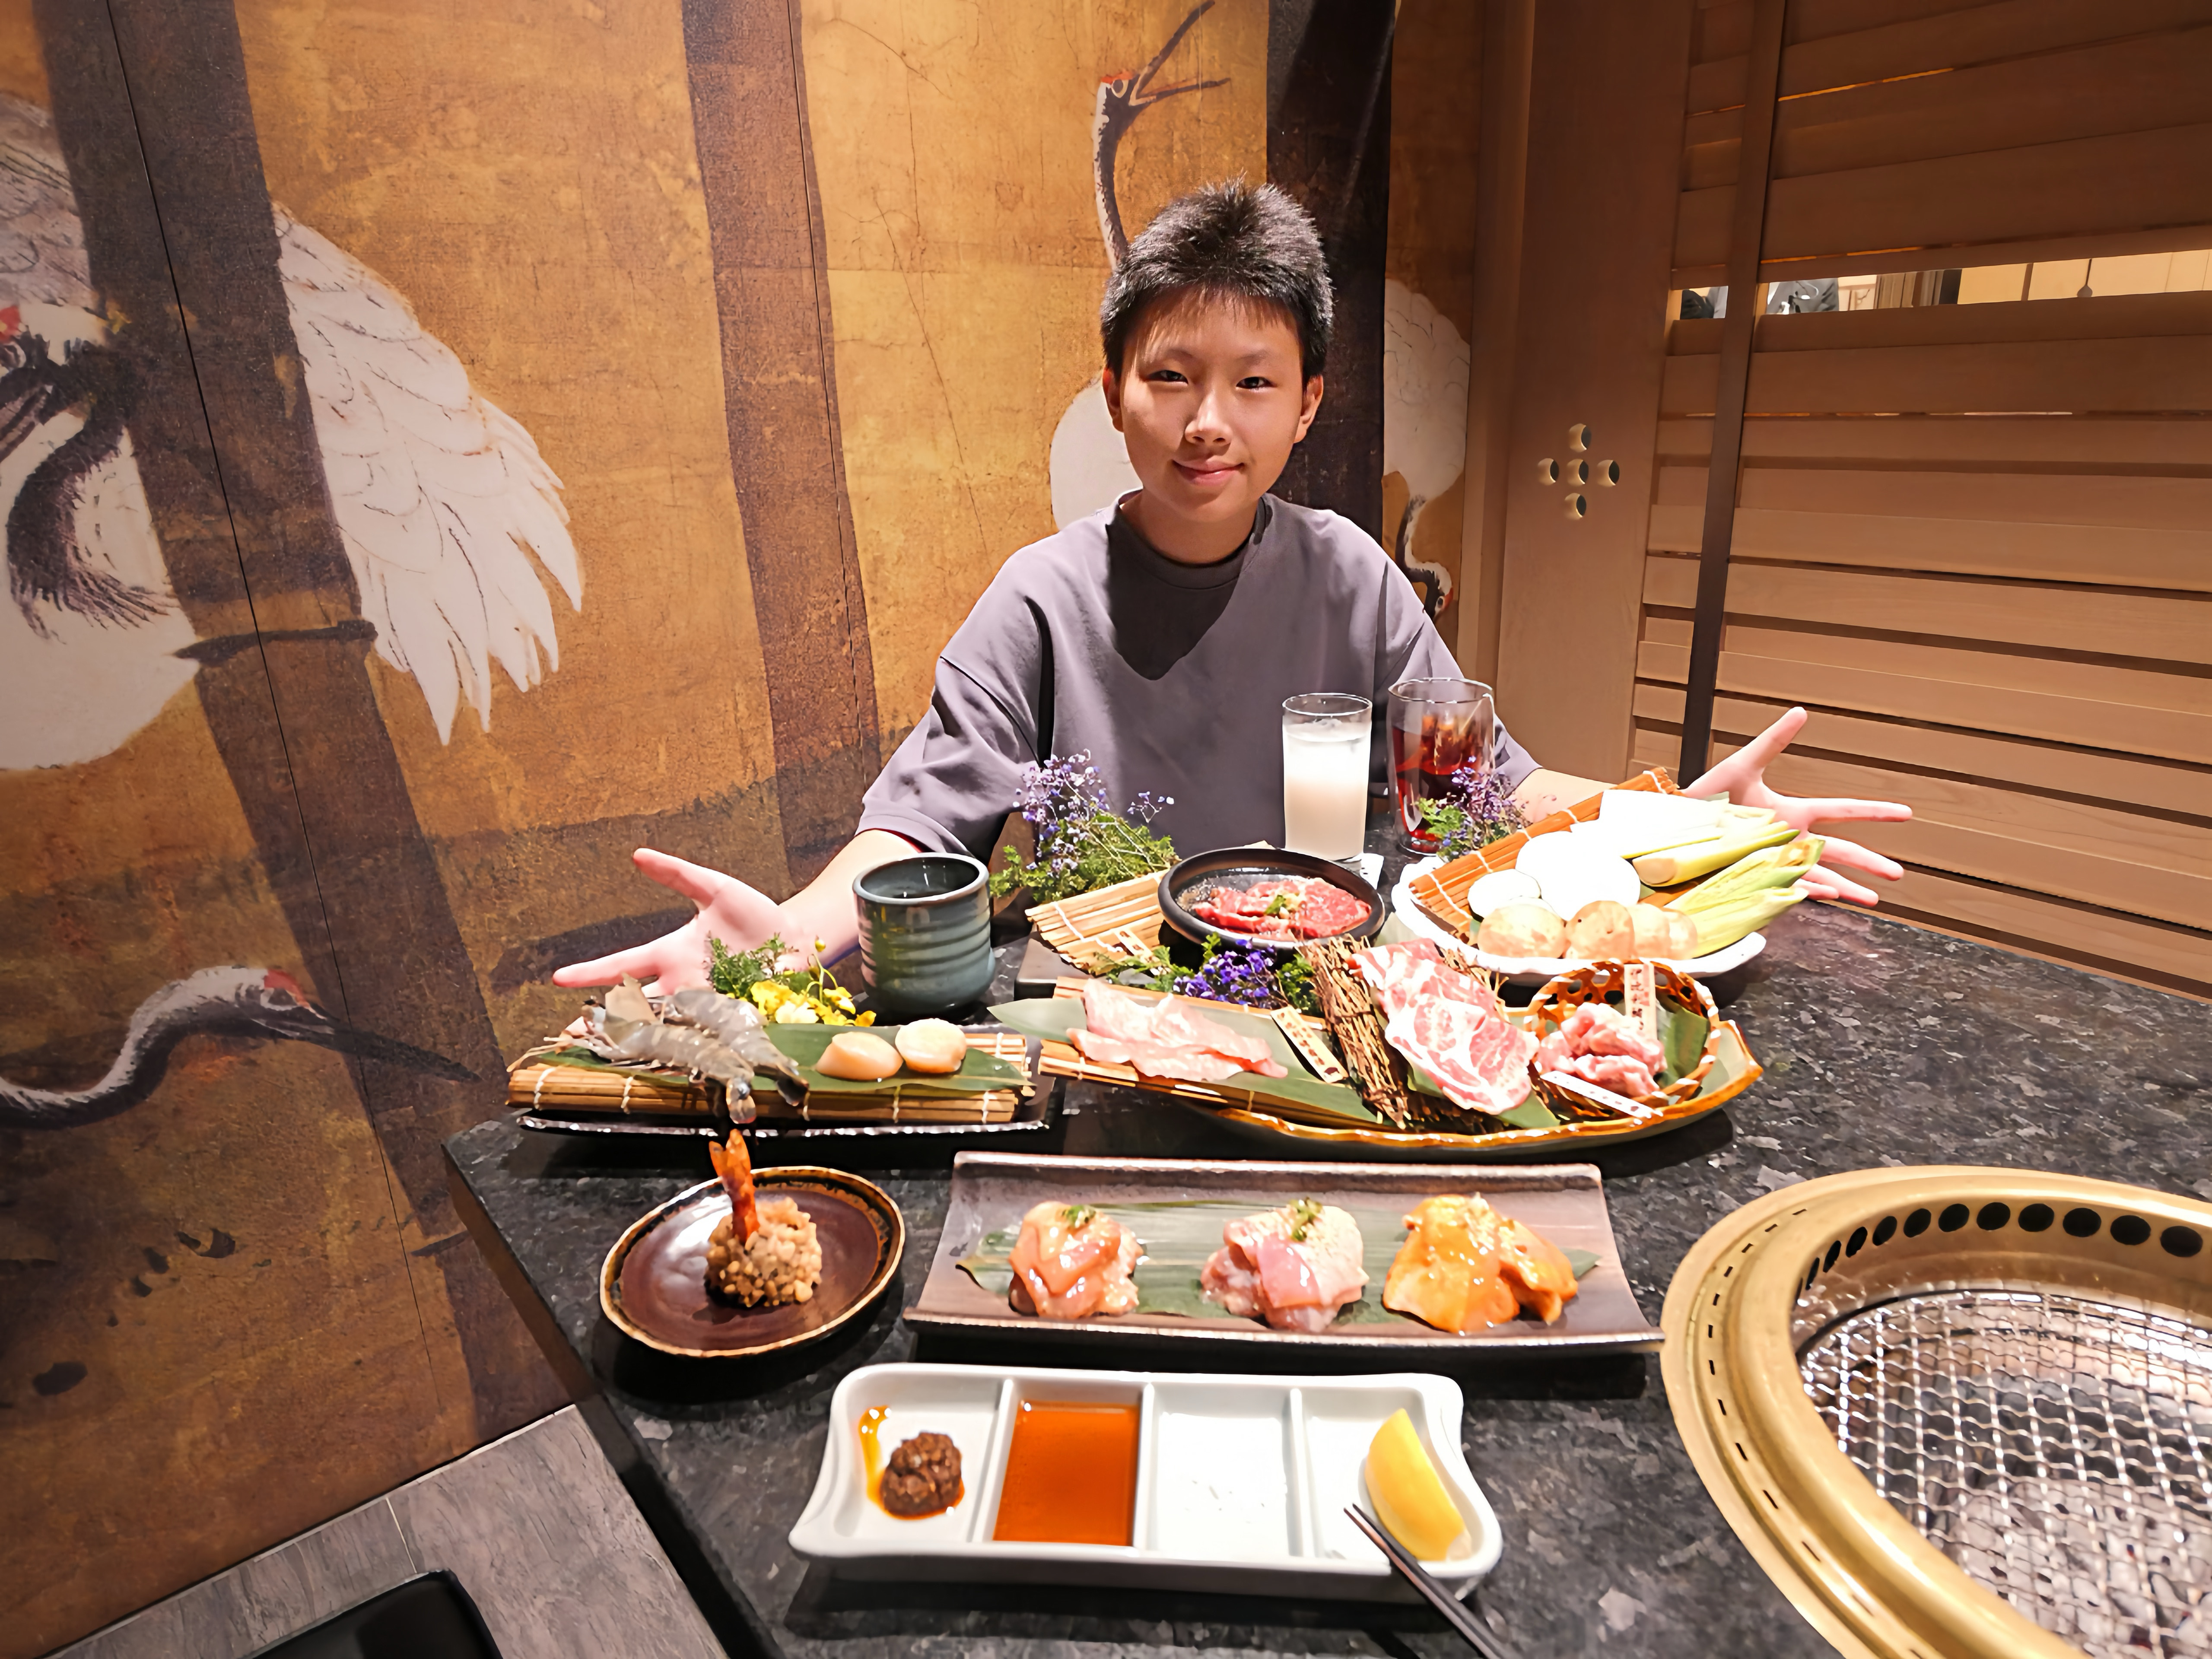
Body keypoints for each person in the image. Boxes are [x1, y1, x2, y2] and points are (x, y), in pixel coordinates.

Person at [555, 182, 1907, 994]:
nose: (1211, 422)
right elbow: (923, 824)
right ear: (1114, 396)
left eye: (1255, 383)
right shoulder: (1038, 598)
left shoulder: (1350, 577)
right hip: (1107, 1000)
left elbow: (1488, 785)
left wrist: (1666, 819)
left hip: (1338, 997)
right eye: (1170, 377)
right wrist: (787, 936)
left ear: (1308, 403)